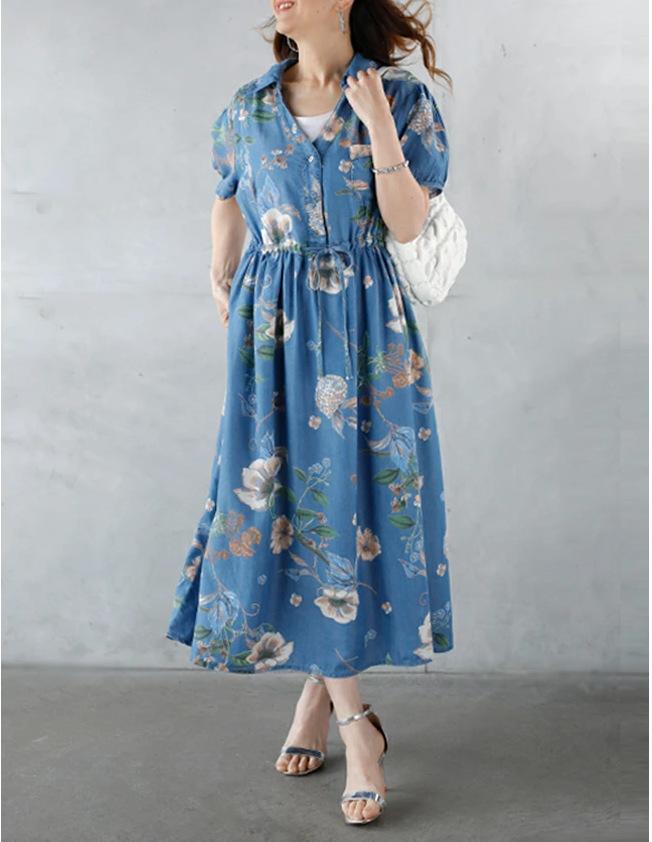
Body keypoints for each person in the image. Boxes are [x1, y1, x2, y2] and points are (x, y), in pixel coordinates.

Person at [166, 0, 454, 826]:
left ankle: (336, 712)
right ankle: (353, 719)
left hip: (366, 329)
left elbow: (407, 223)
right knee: (283, 506)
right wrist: (220, 270)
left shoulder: (401, 100)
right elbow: (228, 194)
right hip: (270, 331)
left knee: (351, 511)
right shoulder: (248, 108)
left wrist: (379, 125)